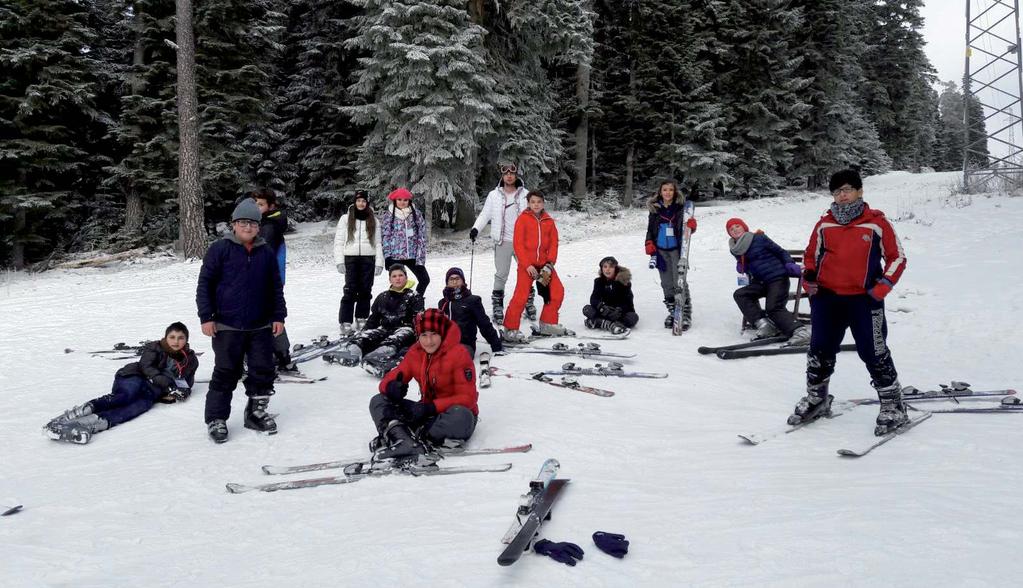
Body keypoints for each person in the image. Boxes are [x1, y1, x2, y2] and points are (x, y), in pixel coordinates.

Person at [788, 169, 908, 436]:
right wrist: (809, 277)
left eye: (847, 190)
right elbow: (810, 256)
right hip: (828, 299)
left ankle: (893, 404)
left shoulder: (876, 223)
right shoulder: (824, 224)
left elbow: (897, 257)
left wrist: (882, 287)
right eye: (836, 191)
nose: (841, 196)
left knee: (873, 351)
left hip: (864, 300)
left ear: (859, 191)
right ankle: (817, 398)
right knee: (819, 350)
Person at [196, 199, 287, 443]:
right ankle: (216, 418)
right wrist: (206, 317)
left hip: (260, 325)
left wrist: (279, 315)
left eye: (253, 223)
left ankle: (255, 412)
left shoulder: (265, 252)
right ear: (234, 225)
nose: (248, 227)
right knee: (226, 371)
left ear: (259, 227)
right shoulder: (220, 249)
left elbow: (275, 287)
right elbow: (205, 284)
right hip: (226, 324)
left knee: (263, 370)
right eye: (243, 222)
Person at [43, 323, 199, 444]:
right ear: (166, 337)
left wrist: (182, 392)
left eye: (180, 338)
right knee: (125, 397)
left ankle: (91, 424)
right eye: (172, 337)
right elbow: (146, 367)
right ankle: (75, 414)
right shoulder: (155, 347)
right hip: (134, 376)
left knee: (137, 407)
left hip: (152, 392)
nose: (176, 341)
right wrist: (168, 385)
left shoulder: (190, 359)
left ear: (186, 340)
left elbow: (186, 382)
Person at [370, 309, 479, 462]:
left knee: (462, 416)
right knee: (379, 400)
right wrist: (391, 387)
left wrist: (431, 407)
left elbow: (468, 398)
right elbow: (390, 378)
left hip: (451, 414)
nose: (429, 341)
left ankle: (406, 436)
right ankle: (404, 440)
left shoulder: (459, 354)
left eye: (434, 334)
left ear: (442, 333)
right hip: (424, 414)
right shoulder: (415, 352)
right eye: (424, 335)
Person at [469, 162, 536, 323]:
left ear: (516, 174)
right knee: (501, 275)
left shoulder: (525, 194)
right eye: (506, 173)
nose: (509, 176)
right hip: (502, 241)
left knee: (527, 273)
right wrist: (476, 229)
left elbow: (535, 215)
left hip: (523, 243)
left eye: (512, 173)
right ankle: (498, 306)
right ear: (502, 175)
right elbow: (485, 214)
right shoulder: (494, 195)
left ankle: (528, 303)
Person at [727, 218, 810, 344]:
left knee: (773, 308)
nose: (735, 230)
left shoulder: (759, 238)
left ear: (744, 227)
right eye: (731, 229)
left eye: (737, 226)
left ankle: (800, 332)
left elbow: (781, 252)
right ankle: (765, 326)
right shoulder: (736, 248)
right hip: (760, 282)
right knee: (741, 294)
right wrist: (742, 265)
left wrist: (789, 264)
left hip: (777, 279)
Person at [333, 264, 424, 377]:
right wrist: (364, 332)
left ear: (406, 277)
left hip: (405, 330)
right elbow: (374, 318)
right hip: (385, 328)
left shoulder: (414, 296)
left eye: (401, 275)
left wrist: (421, 338)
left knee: (396, 338)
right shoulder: (383, 296)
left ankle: (380, 356)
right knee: (368, 335)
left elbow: (419, 319)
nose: (398, 278)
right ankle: (351, 353)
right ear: (390, 279)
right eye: (394, 276)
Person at [503, 191, 567, 342]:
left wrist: (550, 264)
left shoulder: (549, 221)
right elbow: (518, 244)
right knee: (521, 296)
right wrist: (526, 265)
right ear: (528, 203)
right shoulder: (523, 220)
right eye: (533, 202)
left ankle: (547, 324)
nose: (536, 204)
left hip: (545, 266)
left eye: (539, 202)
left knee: (557, 292)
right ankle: (510, 329)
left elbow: (553, 243)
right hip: (528, 267)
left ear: (543, 203)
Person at [644, 179, 698, 329]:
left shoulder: (681, 208)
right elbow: (650, 229)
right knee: (666, 283)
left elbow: (686, 228)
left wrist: (692, 227)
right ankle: (674, 311)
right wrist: (648, 243)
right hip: (661, 251)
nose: (667, 192)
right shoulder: (655, 209)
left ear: (675, 192)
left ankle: (685, 314)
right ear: (660, 192)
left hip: (676, 250)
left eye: (670, 190)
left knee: (679, 281)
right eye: (665, 190)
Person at [333, 190, 385, 335]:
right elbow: (338, 241)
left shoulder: (374, 220)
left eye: (363, 201)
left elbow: (378, 243)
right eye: (358, 201)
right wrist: (339, 261)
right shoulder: (345, 218)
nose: (361, 203)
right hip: (350, 258)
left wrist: (379, 263)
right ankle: (345, 321)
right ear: (354, 202)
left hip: (368, 259)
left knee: (365, 289)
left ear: (367, 203)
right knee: (350, 290)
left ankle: (362, 317)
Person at [253, 188, 293, 371]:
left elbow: (262, 255)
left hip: (267, 279)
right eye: (255, 203)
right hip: (269, 278)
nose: (256, 207)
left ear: (271, 206)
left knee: (266, 317)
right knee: (270, 315)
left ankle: (275, 355)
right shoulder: (266, 222)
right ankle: (282, 354)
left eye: (260, 204)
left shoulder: (269, 226)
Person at [438, 267, 503, 358]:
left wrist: (496, 345)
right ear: (447, 282)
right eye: (451, 279)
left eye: (457, 278)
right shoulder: (443, 303)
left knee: (453, 359)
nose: (454, 281)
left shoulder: (472, 300)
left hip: (464, 345)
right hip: (444, 344)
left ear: (463, 281)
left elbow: (484, 324)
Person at [379, 187, 430, 297]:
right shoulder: (388, 215)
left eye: (405, 200)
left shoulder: (416, 215)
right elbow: (385, 237)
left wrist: (420, 259)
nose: (402, 202)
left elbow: (421, 237)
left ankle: (415, 301)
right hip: (395, 256)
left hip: (412, 256)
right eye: (399, 199)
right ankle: (397, 306)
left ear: (409, 201)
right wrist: (387, 257)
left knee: (424, 279)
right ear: (395, 200)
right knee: (398, 283)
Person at [582, 256, 638, 335]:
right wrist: (601, 307)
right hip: (604, 311)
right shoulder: (598, 281)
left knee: (633, 317)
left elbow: (628, 302)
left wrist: (619, 310)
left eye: (611, 267)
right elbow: (594, 299)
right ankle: (608, 324)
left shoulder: (624, 281)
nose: (607, 269)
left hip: (619, 313)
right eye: (605, 267)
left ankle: (598, 322)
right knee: (587, 309)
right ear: (602, 269)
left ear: (615, 268)